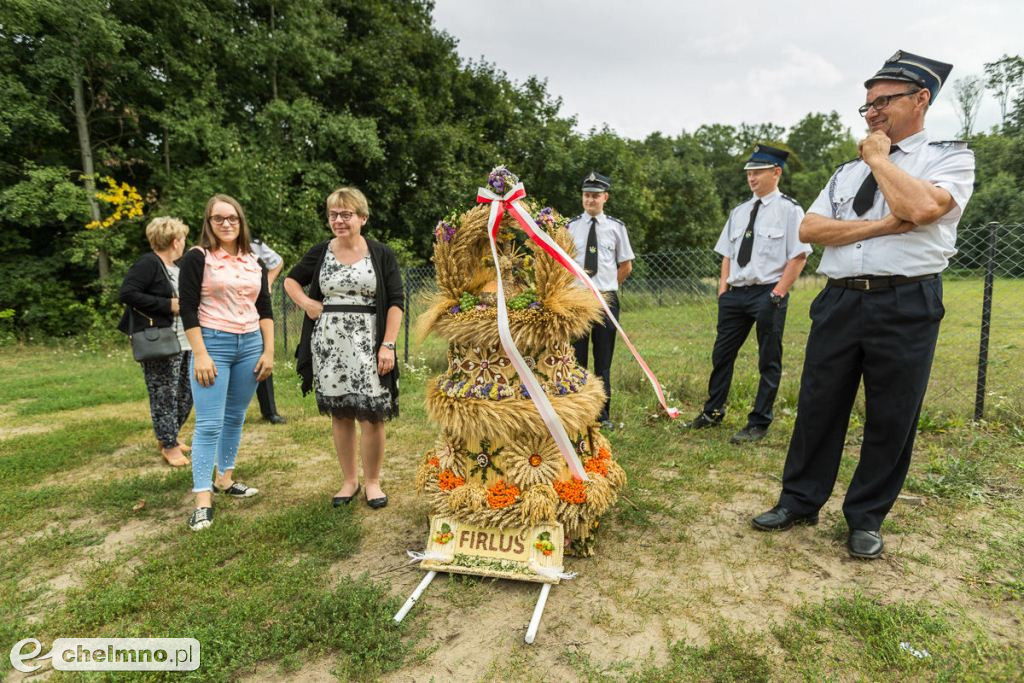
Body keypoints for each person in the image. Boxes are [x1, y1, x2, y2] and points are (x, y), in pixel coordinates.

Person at [752, 51, 975, 559]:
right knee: (818, 403)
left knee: (892, 412)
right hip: (840, 299)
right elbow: (809, 230)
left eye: (883, 101)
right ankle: (799, 500)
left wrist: (879, 157)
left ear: (921, 99)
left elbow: (919, 208)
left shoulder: (948, 158)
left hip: (906, 301)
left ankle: (866, 516)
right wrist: (880, 226)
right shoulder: (844, 173)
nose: (872, 112)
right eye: (867, 105)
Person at [285, 187, 403, 509]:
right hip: (328, 345)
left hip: (369, 343)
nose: (339, 220)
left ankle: (373, 482)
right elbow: (290, 280)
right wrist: (307, 303)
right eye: (333, 215)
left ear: (362, 218)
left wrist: (387, 345)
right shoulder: (321, 252)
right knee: (341, 414)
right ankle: (349, 481)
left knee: (372, 415)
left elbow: (395, 302)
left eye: (346, 214)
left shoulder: (381, 253)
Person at [687, 145, 810, 443]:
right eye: (749, 173)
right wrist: (723, 290)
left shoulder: (790, 211)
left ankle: (759, 421)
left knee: (768, 359)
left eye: (757, 172)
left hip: (768, 293)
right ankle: (713, 412)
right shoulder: (739, 212)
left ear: (776, 172)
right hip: (735, 295)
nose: (751, 178)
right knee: (722, 355)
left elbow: (799, 256)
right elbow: (727, 253)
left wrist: (778, 293)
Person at [178, 194, 275, 531]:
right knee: (209, 423)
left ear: (241, 221)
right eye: (218, 218)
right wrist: (200, 353)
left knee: (234, 417)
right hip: (213, 344)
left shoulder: (254, 260)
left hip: (250, 344)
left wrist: (269, 350)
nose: (226, 224)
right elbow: (188, 308)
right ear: (209, 222)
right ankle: (202, 500)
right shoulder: (197, 258)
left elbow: (265, 307)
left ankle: (225, 479)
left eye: (232, 218)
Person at [119, 217, 194, 468]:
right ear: (175, 241)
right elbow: (128, 293)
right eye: (183, 239)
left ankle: (168, 436)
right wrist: (167, 305)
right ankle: (169, 444)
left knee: (187, 393)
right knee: (164, 394)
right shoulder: (149, 263)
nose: (184, 243)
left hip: (185, 340)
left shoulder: (176, 266)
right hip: (160, 340)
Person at [567, 171, 634, 431]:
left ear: (605, 197)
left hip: (605, 300)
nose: (590, 200)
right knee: (576, 358)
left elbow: (626, 265)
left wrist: (608, 288)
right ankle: (578, 411)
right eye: (586, 195)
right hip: (578, 300)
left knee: (603, 360)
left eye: (595, 196)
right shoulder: (570, 227)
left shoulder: (616, 228)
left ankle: (602, 415)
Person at [250, 236, 287, 424]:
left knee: (262, 354)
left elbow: (277, 261)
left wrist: (267, 283)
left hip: (257, 306)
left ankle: (269, 411)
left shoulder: (253, 243)